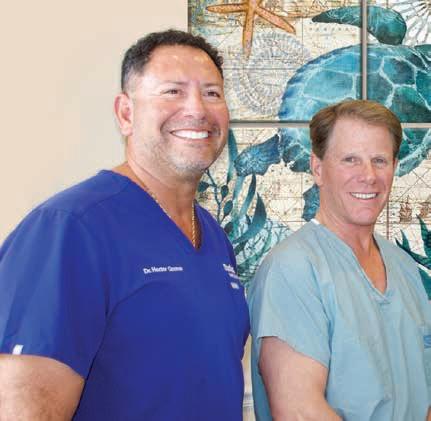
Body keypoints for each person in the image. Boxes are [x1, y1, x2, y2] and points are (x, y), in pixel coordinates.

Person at [0, 29, 250, 420]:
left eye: (212, 93)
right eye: (172, 91)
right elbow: (24, 410)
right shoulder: (70, 228)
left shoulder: (214, 237)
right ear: (126, 114)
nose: (197, 108)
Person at [248, 100, 431, 420]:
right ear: (317, 168)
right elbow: (300, 412)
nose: (368, 176)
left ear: (394, 166)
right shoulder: (293, 270)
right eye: (350, 160)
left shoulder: (403, 267)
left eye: (379, 160)